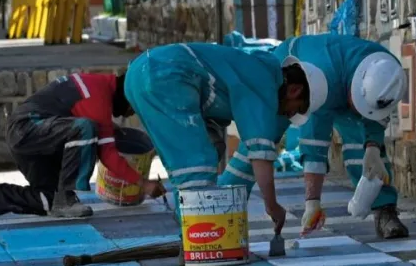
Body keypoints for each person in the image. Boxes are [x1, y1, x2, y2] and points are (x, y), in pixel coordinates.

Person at [217, 34, 409, 240]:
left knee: (364, 148)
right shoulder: (320, 83)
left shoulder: (388, 71)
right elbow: (314, 141)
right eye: (358, 103)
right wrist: (312, 202)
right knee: (259, 141)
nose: (357, 109)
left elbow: (376, 113)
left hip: (342, 80)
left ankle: (385, 211)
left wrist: (372, 147)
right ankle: (220, 211)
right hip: (292, 77)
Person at [123, 42, 328, 230]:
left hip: (139, 73)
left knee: (186, 167)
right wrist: (272, 206)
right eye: (296, 109)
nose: (289, 115)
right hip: (167, 76)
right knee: (197, 168)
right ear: (294, 90)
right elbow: (260, 157)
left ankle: (188, 238)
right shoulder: (265, 87)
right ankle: (203, 243)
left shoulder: (258, 69)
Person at [0, 71, 164, 220]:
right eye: (133, 108)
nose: (130, 114)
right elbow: (108, 155)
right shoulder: (97, 96)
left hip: (32, 135)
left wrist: (108, 128)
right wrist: (144, 184)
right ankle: (65, 198)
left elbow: (82, 113)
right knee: (85, 129)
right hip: (27, 128)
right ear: (129, 96)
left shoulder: (98, 85)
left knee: (49, 199)